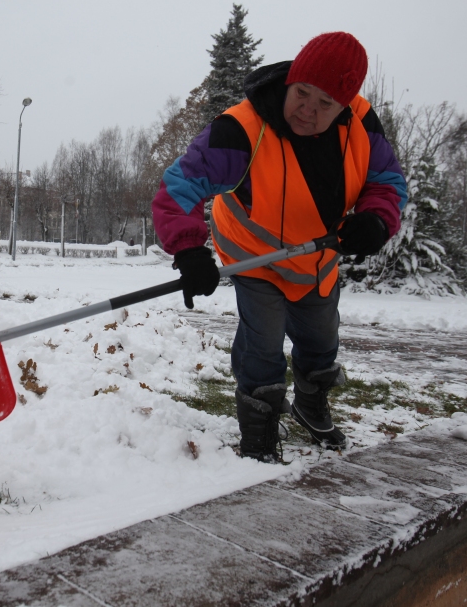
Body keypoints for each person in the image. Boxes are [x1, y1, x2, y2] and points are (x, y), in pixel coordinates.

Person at [151, 32, 407, 462]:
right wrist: (190, 250)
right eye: (302, 92)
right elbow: (180, 187)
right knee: (264, 338)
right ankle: (260, 424)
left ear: (345, 105)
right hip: (254, 255)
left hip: (316, 257)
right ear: (290, 81)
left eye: (325, 104)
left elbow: (385, 182)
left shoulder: (363, 125)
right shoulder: (243, 128)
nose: (308, 109)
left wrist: (377, 221)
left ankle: (309, 404)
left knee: (321, 339)